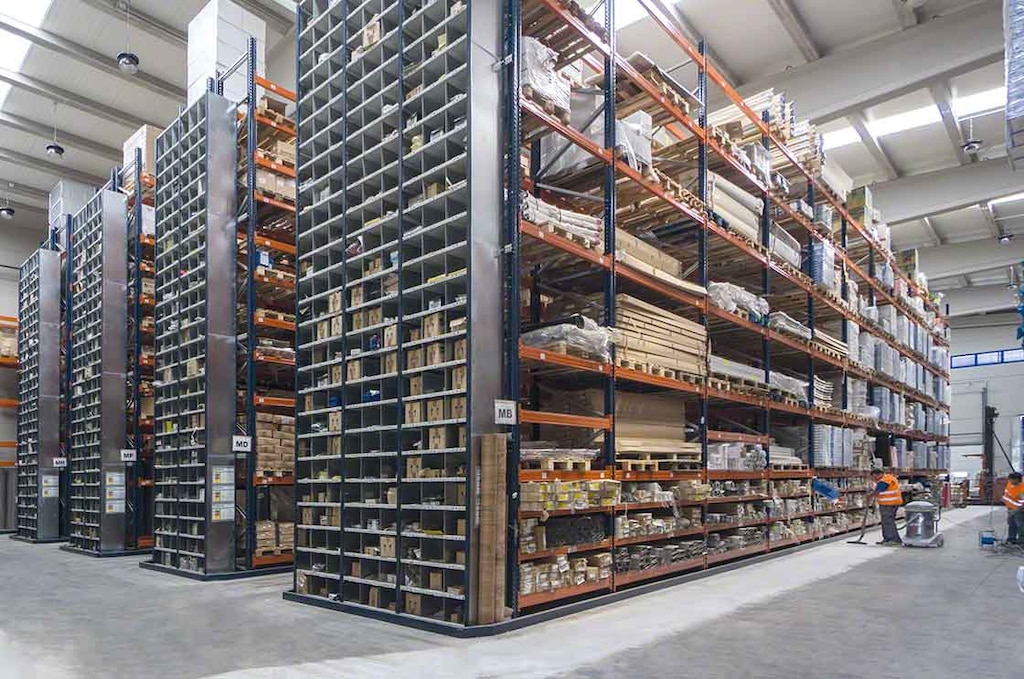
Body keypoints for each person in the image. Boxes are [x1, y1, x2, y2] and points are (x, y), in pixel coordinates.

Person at [868, 468, 903, 545]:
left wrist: (869, 495)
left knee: (888, 522)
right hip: (889, 503)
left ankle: (892, 539)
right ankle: (888, 539)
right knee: (887, 521)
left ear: (878, 474)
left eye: (874, 477)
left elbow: (878, 491)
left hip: (889, 503)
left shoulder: (885, 480)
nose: (874, 479)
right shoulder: (888, 478)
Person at [1002, 472, 1024, 543]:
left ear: (1017, 480)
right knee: (1011, 524)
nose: (1010, 481)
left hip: (1018, 509)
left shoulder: (1022, 487)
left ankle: (1022, 539)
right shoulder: (1010, 484)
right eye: (1010, 479)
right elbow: (1007, 494)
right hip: (1010, 508)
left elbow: (1022, 500)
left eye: (1012, 479)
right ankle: (1011, 538)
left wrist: (1018, 508)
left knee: (1020, 524)